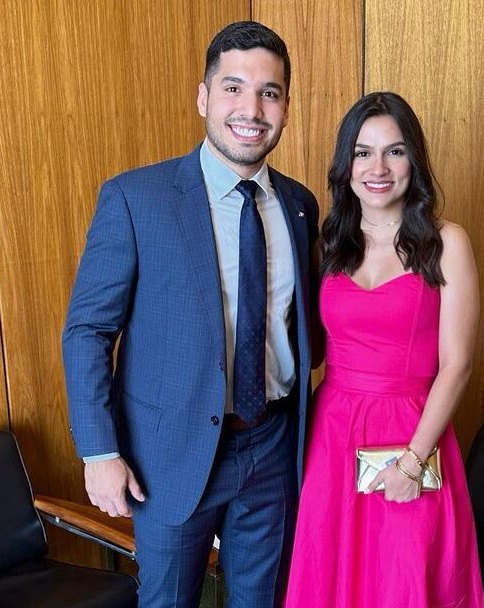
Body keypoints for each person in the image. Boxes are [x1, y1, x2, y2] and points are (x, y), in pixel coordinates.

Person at [61, 21, 321, 608]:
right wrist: (99, 452)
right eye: (233, 88)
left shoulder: (300, 206)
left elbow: (306, 330)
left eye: (269, 93)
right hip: (169, 455)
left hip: (274, 447)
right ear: (203, 97)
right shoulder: (136, 199)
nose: (251, 109)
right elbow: (87, 331)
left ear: (285, 107)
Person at [285, 91, 484, 608]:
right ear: (345, 164)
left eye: (394, 151)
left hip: (413, 433)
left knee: (404, 580)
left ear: (413, 160)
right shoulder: (329, 243)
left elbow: (457, 364)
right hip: (333, 434)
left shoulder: (447, 242)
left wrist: (414, 462)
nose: (378, 168)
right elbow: (306, 347)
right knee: (330, 577)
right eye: (363, 152)